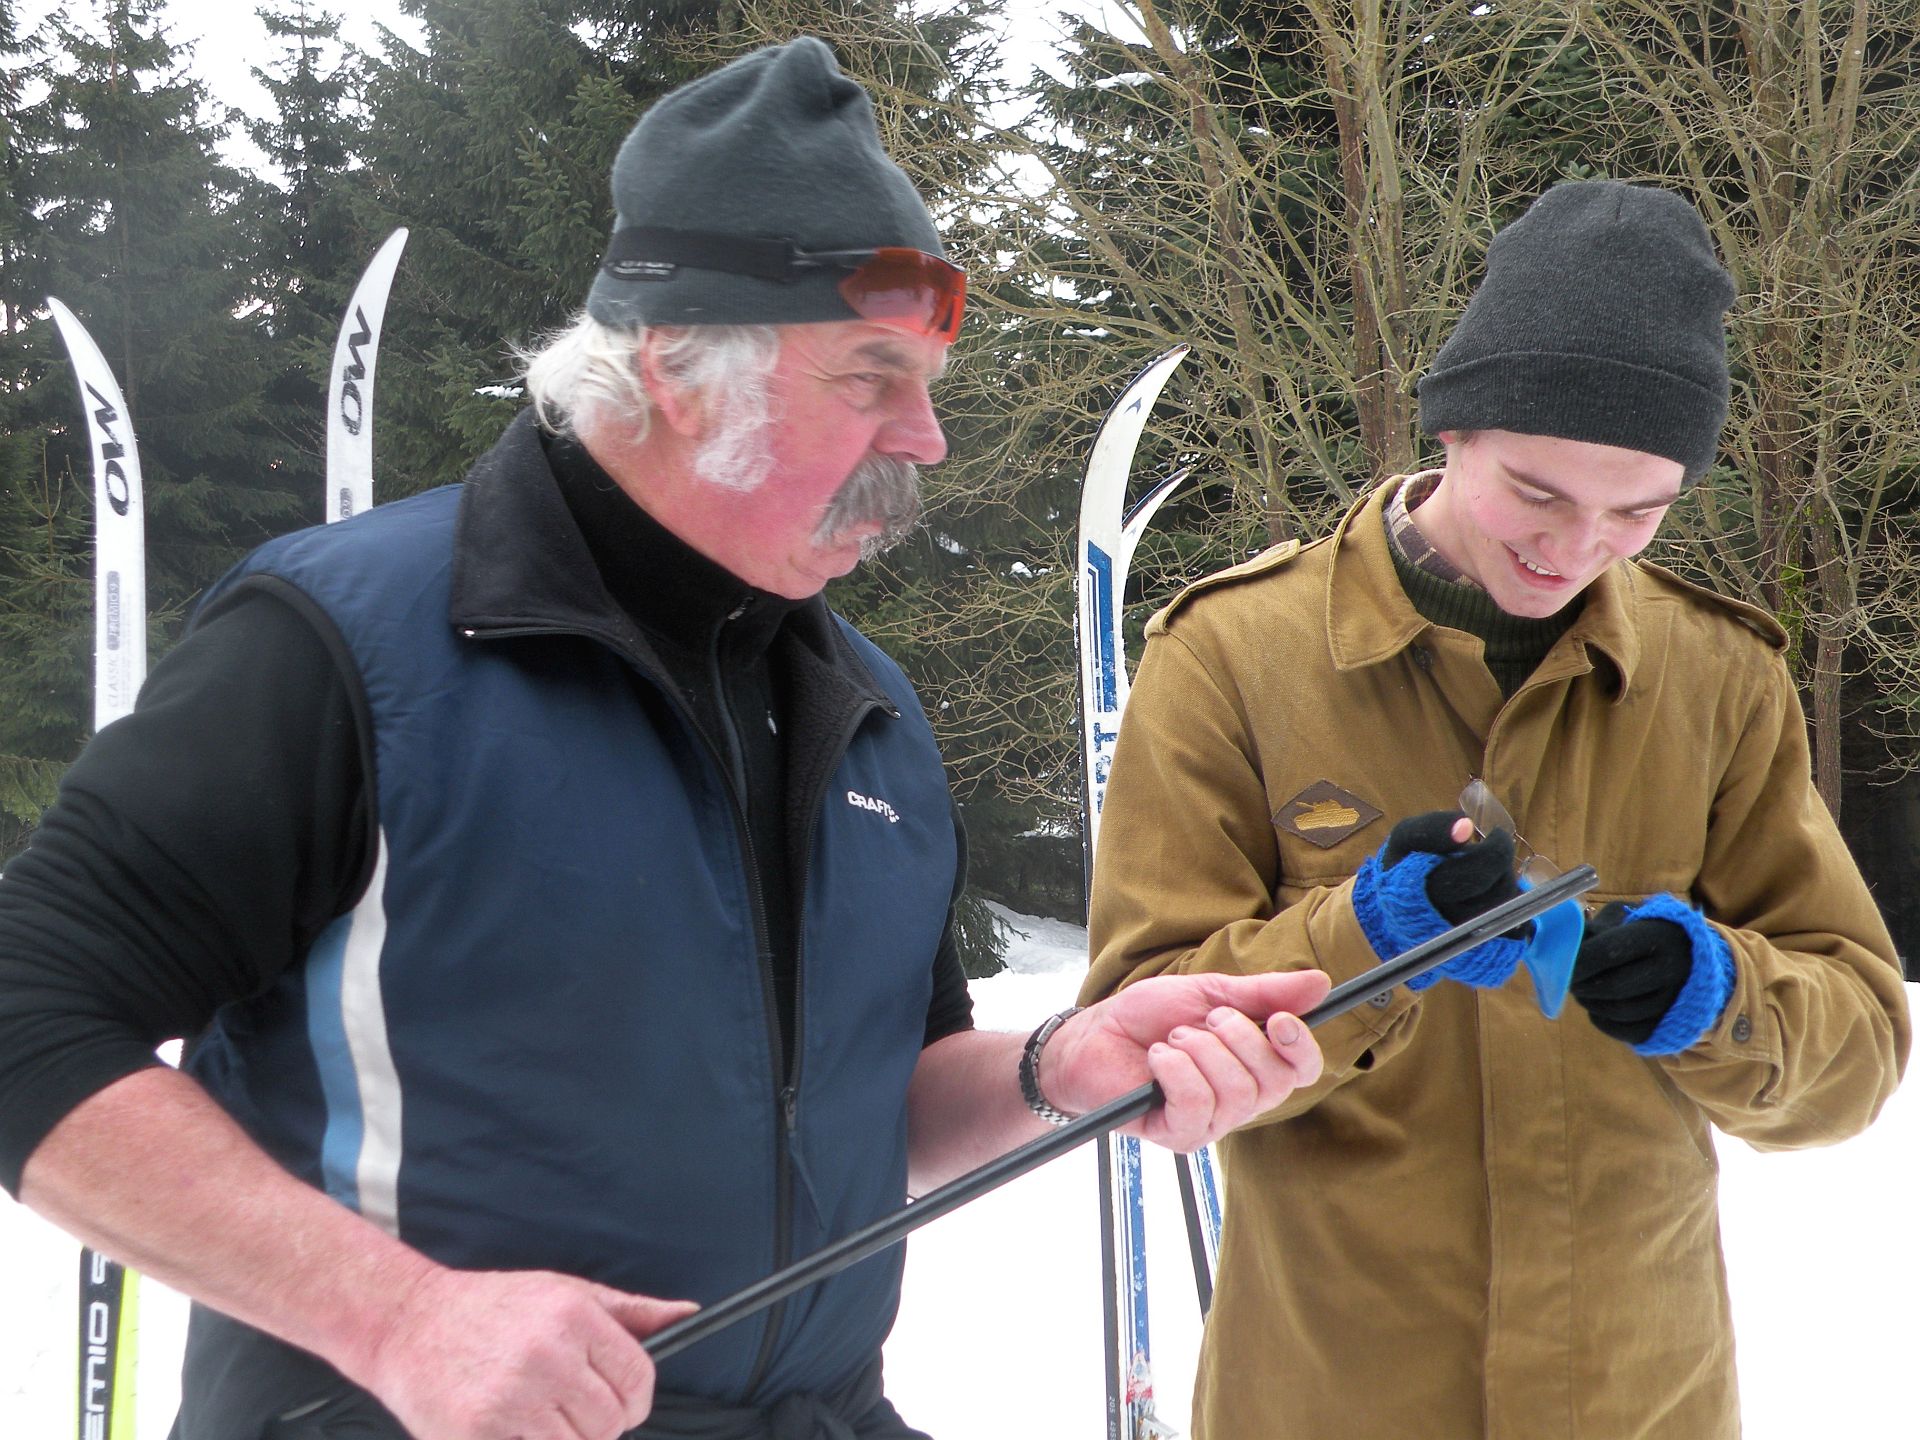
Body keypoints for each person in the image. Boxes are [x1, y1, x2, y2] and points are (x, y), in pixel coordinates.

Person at [0, 38, 1332, 1440]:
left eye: (929, 382)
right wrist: (396, 1318)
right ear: (679, 368)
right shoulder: (348, 644)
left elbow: (876, 1102)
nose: (929, 439)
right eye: (872, 377)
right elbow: (28, 1012)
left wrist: (1056, 1067)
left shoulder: (865, 710)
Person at [1081, 179, 1911, 1438]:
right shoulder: (1231, 656)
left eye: (1638, 511)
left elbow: (1856, 1053)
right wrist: (1367, 939)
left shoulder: (1720, 675)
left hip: (1641, 1399)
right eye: (1539, 492)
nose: (1575, 548)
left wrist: (1718, 996)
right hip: (1330, 1396)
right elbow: (1139, 1053)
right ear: (1454, 428)